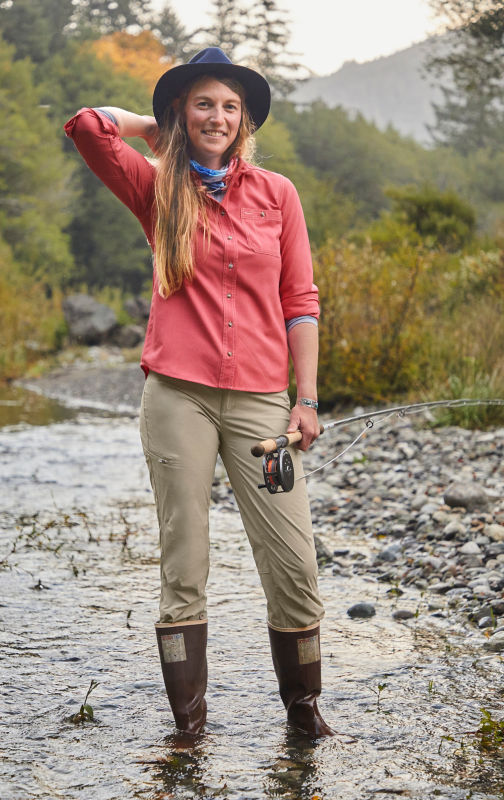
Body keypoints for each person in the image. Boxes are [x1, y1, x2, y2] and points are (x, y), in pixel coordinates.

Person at [64, 46, 334, 739]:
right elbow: (88, 127)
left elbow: (299, 300)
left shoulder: (278, 195)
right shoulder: (157, 186)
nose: (218, 116)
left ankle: (305, 721)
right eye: (203, 103)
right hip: (176, 397)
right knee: (185, 561)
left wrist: (306, 400)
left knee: (295, 563)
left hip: (263, 405)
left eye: (230, 106)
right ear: (183, 111)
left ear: (245, 120)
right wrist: (156, 133)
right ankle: (189, 732)